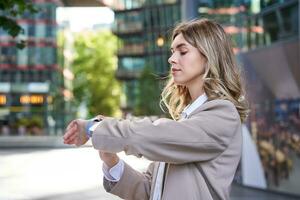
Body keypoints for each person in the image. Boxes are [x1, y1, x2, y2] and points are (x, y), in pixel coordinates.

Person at [63, 18, 249, 200]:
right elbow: (149, 190)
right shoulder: (188, 119)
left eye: (182, 52)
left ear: (209, 57)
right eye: (172, 51)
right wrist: (111, 161)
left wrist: (94, 128)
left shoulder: (223, 114)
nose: (171, 59)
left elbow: (152, 135)